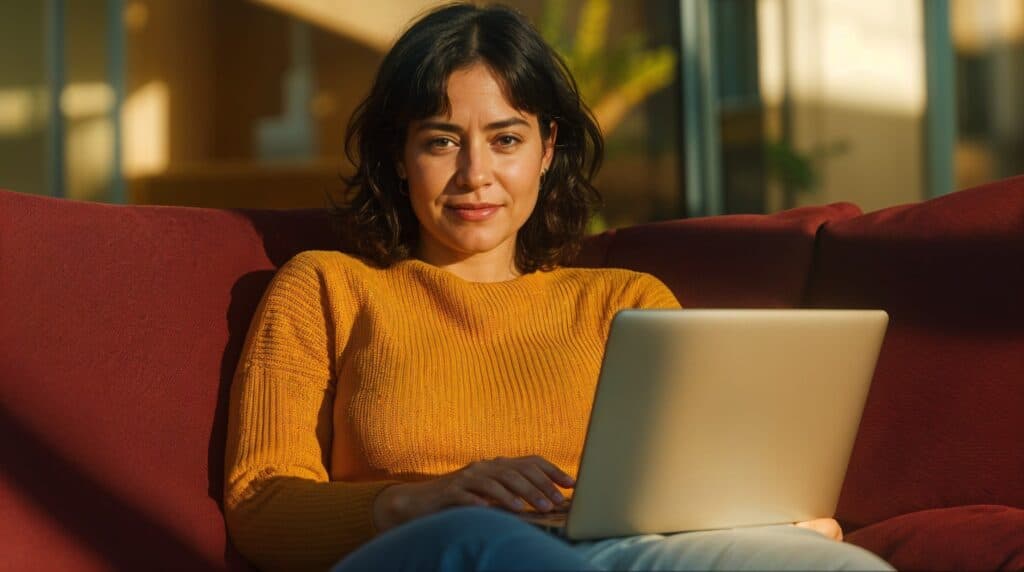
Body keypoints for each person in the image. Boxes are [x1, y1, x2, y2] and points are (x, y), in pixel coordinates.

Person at [223, 3, 893, 571]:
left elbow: (700, 490)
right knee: (483, 535)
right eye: (441, 142)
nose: (475, 174)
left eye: (505, 139)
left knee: (827, 561)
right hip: (427, 549)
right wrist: (421, 499)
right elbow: (259, 506)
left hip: (611, 553)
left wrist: (770, 526)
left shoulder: (624, 302)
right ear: (398, 157)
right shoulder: (327, 286)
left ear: (547, 149)